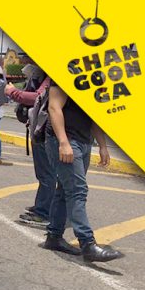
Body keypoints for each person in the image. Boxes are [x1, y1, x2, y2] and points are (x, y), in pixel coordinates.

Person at [42, 82, 122, 262]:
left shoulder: (96, 82)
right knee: (77, 190)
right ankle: (87, 244)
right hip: (66, 140)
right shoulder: (66, 75)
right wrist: (63, 142)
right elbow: (54, 107)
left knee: (65, 189)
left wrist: (102, 145)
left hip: (84, 141)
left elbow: (93, 116)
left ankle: (54, 236)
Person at [5, 64, 54, 228]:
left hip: (45, 131)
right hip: (41, 129)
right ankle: (42, 206)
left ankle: (44, 212)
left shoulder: (52, 79)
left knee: (47, 174)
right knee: (44, 173)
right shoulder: (44, 76)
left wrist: (13, 92)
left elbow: (38, 97)